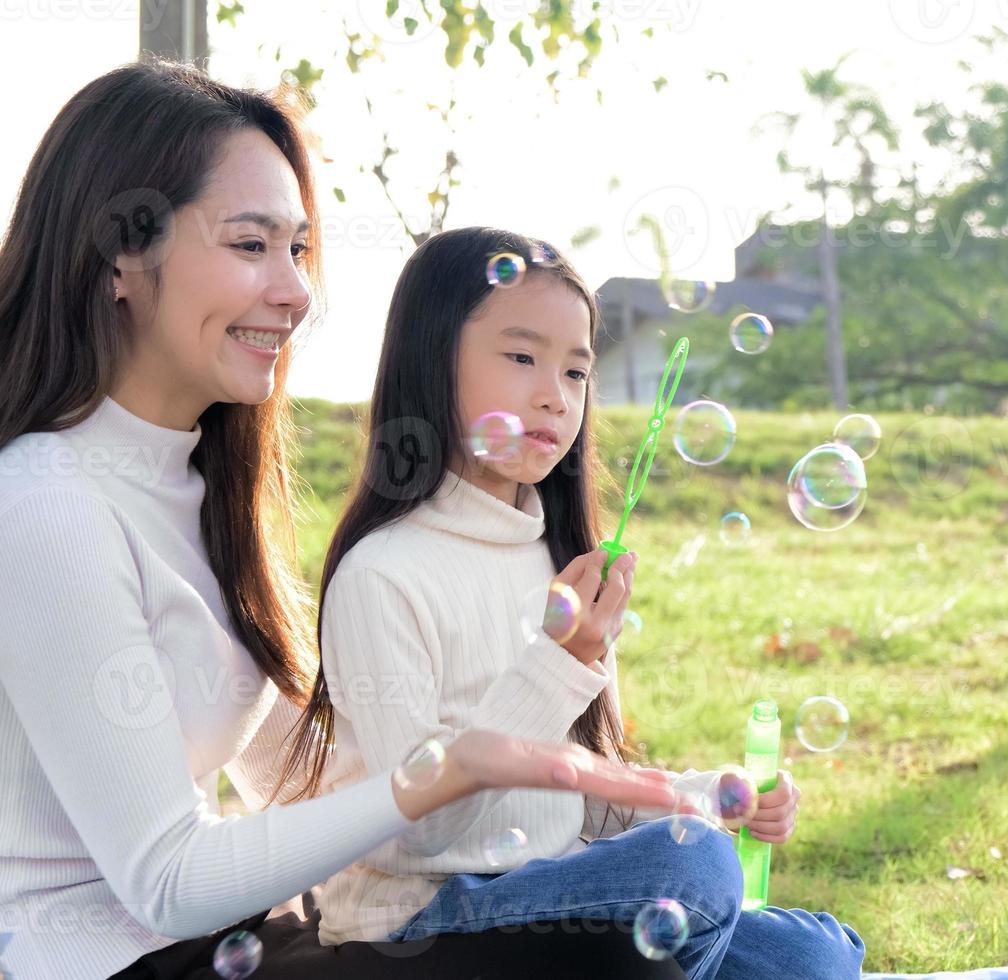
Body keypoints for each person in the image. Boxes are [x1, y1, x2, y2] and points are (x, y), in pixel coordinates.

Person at [0, 62, 684, 979]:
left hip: (219, 943)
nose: (295, 293)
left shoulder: (202, 494)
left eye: (300, 251)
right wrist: (444, 772)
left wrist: (633, 795)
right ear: (125, 252)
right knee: (611, 965)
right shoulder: (47, 502)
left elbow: (310, 789)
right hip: (99, 963)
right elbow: (167, 878)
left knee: (722, 932)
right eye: (252, 246)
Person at [291, 226, 864, 980]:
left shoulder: (555, 561)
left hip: (547, 883)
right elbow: (418, 831)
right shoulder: (384, 573)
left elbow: (587, 799)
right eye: (522, 357)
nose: (552, 397)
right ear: (430, 356)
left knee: (816, 953)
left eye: (575, 371)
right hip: (417, 914)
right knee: (692, 874)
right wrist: (559, 662)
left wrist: (706, 795)